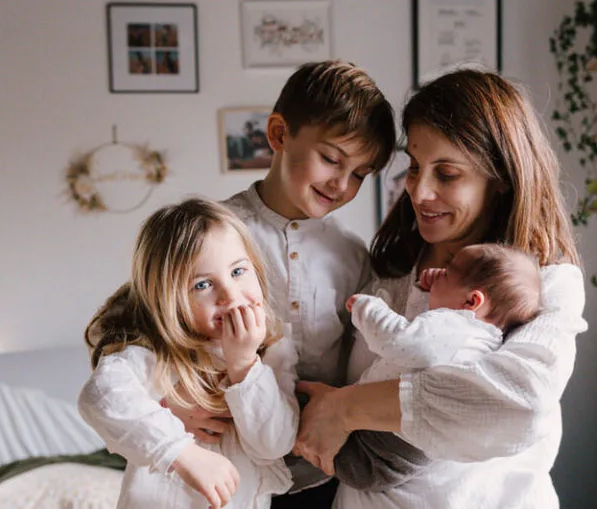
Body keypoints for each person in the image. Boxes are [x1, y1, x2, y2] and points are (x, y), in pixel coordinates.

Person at [83, 60, 396, 509]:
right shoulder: (214, 235)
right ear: (279, 134)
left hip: (316, 474)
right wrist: (170, 404)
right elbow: (116, 335)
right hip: (217, 469)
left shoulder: (352, 256)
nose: (343, 184)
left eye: (361, 174)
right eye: (331, 159)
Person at [293, 68, 589, 508]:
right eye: (414, 166)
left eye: (447, 174)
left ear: (502, 176)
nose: (419, 191)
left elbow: (521, 404)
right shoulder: (393, 267)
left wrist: (346, 408)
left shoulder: (546, 281)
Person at [78, 198, 299, 508]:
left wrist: (244, 364)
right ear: (168, 299)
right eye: (203, 285)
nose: (229, 295)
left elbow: (274, 444)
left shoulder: (272, 350)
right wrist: (181, 452)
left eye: (238, 271)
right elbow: (99, 396)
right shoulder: (152, 354)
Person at [347, 243, 542, 384]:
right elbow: (422, 329)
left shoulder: (456, 327)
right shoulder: (480, 340)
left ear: (471, 301)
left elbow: (398, 340)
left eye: (447, 273)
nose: (439, 272)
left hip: (369, 420)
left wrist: (366, 307)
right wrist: (428, 289)